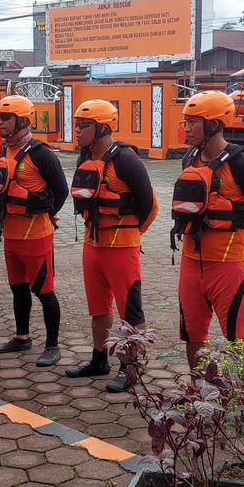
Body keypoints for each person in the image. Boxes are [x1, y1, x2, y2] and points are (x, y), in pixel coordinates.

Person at [171, 91, 244, 367]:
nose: (187, 128)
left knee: (239, 338)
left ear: (215, 124)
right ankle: (198, 393)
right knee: (192, 333)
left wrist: (236, 235)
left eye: (193, 121)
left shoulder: (241, 163)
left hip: (229, 265)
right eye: (186, 121)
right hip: (191, 262)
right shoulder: (189, 159)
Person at [66, 99, 156, 392]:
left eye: (84, 125)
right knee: (98, 307)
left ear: (103, 127)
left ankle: (132, 368)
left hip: (122, 247)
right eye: (77, 124)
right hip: (93, 245)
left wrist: (131, 234)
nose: (77, 130)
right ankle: (98, 359)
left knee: (131, 310)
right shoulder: (85, 158)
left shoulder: (126, 159)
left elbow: (150, 205)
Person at [0, 95, 68, 365]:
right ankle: (22, 337)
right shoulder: (3, 150)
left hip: (37, 235)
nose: (0, 123)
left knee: (44, 291)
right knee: (18, 288)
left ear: (22, 120)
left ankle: (53, 345)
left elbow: (61, 191)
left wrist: (42, 209)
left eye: (6, 118)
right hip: (12, 234)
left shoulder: (41, 153)